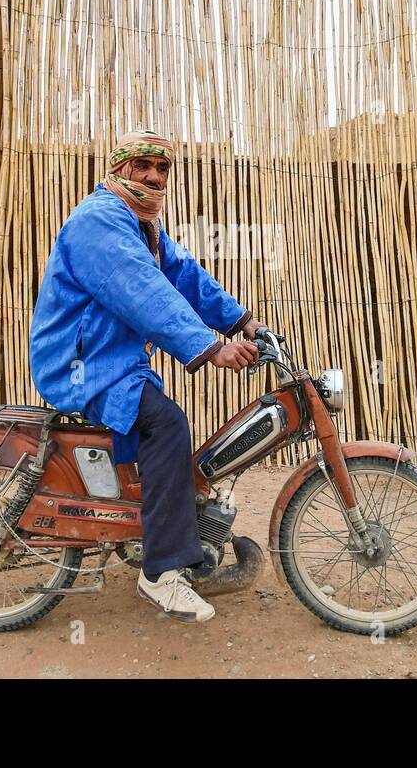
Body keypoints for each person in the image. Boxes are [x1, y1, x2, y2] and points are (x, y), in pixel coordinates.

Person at [29, 129, 264, 623]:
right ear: (118, 169)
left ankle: (161, 526)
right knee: (167, 425)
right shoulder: (100, 221)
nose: (154, 177)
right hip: (84, 364)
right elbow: (142, 291)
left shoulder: (142, 227)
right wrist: (209, 348)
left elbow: (183, 276)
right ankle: (160, 574)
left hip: (113, 360)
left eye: (162, 169)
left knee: (160, 423)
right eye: (143, 166)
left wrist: (244, 321)